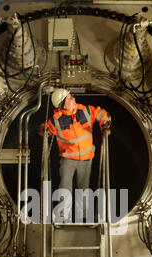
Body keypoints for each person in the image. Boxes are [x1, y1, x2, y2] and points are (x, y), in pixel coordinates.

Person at [40, 88, 111, 222]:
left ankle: (83, 216)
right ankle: (62, 216)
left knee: (83, 188)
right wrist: (44, 131)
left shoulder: (85, 110)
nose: (72, 98)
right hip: (68, 159)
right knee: (65, 186)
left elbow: (101, 113)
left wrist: (105, 125)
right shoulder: (56, 120)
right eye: (68, 98)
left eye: (71, 95)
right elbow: (44, 129)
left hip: (86, 159)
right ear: (62, 104)